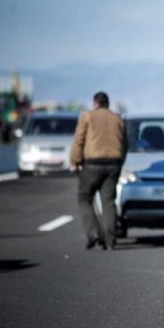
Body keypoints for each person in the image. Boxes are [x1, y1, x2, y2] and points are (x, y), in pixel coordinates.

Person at [70, 92, 127, 250]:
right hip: (114, 164)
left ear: (95, 103)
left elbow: (79, 140)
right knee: (108, 201)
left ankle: (93, 232)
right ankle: (110, 240)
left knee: (84, 197)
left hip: (93, 164)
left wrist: (75, 161)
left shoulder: (88, 117)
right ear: (107, 104)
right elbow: (125, 143)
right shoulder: (117, 119)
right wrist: (120, 160)